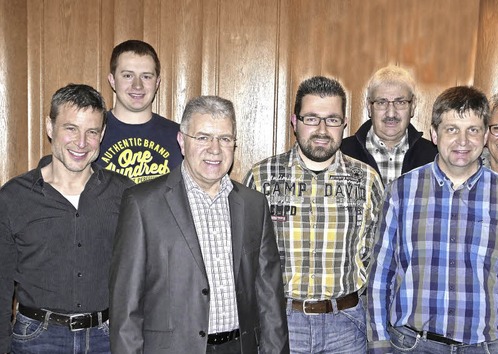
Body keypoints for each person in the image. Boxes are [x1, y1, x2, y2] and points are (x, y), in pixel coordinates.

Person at [109, 95, 288, 354]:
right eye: (202, 137)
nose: (215, 149)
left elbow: (269, 297)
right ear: (182, 141)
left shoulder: (254, 205)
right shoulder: (142, 204)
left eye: (225, 139)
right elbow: (126, 307)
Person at [368, 86, 498, 353]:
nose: (463, 141)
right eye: (452, 129)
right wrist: (378, 342)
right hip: (412, 345)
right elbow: (381, 276)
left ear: (484, 136)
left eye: (473, 129)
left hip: (485, 347)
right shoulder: (401, 191)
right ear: (434, 134)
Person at [244, 76, 384, 353]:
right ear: (294, 122)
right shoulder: (261, 178)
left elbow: (376, 255)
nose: (322, 129)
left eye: (332, 119)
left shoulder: (367, 180)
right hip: (280, 323)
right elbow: (245, 257)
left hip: (346, 325)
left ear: (344, 124)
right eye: (311, 118)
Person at [0, 84, 133, 354]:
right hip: (36, 339)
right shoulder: (13, 196)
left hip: (107, 339)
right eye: (71, 128)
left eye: (91, 132)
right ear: (50, 128)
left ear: (102, 134)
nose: (81, 142)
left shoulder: (125, 193)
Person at [98, 39, 182, 184]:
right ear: (112, 80)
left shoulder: (180, 137)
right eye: (127, 76)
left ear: (157, 83)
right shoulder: (92, 133)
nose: (137, 85)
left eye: (146, 76)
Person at [341, 65, 437, 185]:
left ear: (412, 106)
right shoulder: (342, 154)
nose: (391, 113)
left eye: (400, 102)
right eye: (382, 102)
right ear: (369, 107)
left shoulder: (434, 158)